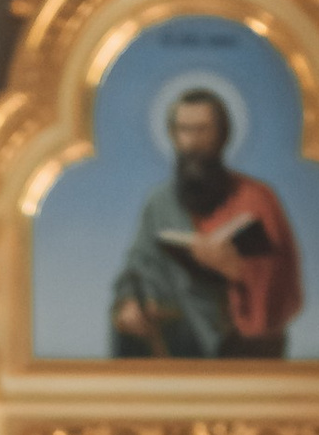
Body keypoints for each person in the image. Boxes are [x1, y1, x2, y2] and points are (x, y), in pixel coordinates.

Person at [111, 86, 303, 359]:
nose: (192, 141)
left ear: (222, 136)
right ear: (173, 136)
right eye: (183, 130)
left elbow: (283, 279)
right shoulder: (160, 202)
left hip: (241, 338)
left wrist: (237, 270)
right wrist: (130, 301)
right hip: (178, 332)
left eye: (202, 130)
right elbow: (140, 264)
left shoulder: (256, 198)